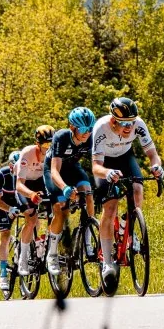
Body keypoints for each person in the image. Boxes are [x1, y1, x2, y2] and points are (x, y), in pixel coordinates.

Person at [91, 97, 164, 289]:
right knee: (111, 206)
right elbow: (95, 167)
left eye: (131, 123)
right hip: (105, 163)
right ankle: (107, 261)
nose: (128, 127)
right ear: (113, 120)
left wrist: (156, 166)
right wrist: (107, 173)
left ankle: (129, 227)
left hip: (125, 157)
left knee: (138, 188)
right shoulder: (101, 129)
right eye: (124, 123)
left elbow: (152, 153)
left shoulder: (138, 124)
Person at [44, 107, 97, 277]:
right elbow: (54, 171)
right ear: (72, 127)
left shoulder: (89, 139)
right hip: (54, 170)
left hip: (73, 167)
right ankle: (51, 254)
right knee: (60, 209)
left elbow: (100, 162)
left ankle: (87, 241)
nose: (86, 133)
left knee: (88, 193)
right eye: (82, 129)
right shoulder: (62, 137)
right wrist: (65, 188)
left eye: (90, 129)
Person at [14, 126, 54, 276]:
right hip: (24, 184)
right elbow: (19, 185)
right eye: (45, 145)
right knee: (31, 218)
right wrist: (31, 194)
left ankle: (48, 248)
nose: (48, 148)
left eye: (51, 144)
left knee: (57, 211)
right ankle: (23, 258)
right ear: (38, 144)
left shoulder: (54, 153)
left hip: (41, 182)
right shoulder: (28, 153)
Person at [0, 151, 26, 292]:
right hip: (4, 204)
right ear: (10, 166)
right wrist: (9, 209)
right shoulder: (1, 175)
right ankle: (3, 273)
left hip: (20, 200)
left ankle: (27, 253)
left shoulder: (28, 173)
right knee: (5, 234)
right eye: (14, 167)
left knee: (33, 222)